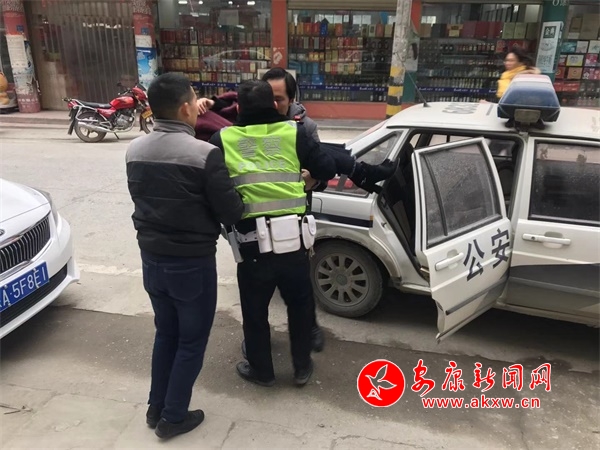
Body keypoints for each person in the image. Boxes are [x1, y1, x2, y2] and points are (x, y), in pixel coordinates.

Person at [126, 73, 244, 439]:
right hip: (191, 264)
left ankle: (156, 407)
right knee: (191, 341)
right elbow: (231, 211)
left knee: (166, 333)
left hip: (151, 260)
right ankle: (173, 417)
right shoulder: (204, 154)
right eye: (194, 100)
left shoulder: (135, 150)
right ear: (184, 109)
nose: (197, 106)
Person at [209, 80, 343, 387]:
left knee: (255, 311)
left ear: (239, 108)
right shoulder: (294, 133)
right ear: (273, 105)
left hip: (251, 246)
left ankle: (262, 371)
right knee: (300, 307)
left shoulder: (223, 138)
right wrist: (308, 178)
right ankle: (302, 368)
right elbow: (327, 167)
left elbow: (214, 186)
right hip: (293, 243)